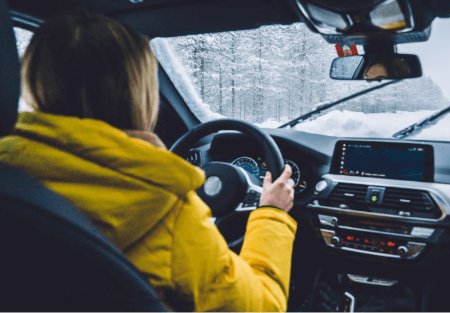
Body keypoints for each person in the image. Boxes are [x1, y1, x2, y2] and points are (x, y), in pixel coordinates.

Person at [0, 14, 297, 312]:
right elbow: (263, 307)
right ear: (139, 93)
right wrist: (271, 214)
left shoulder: (9, 180)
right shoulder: (168, 213)